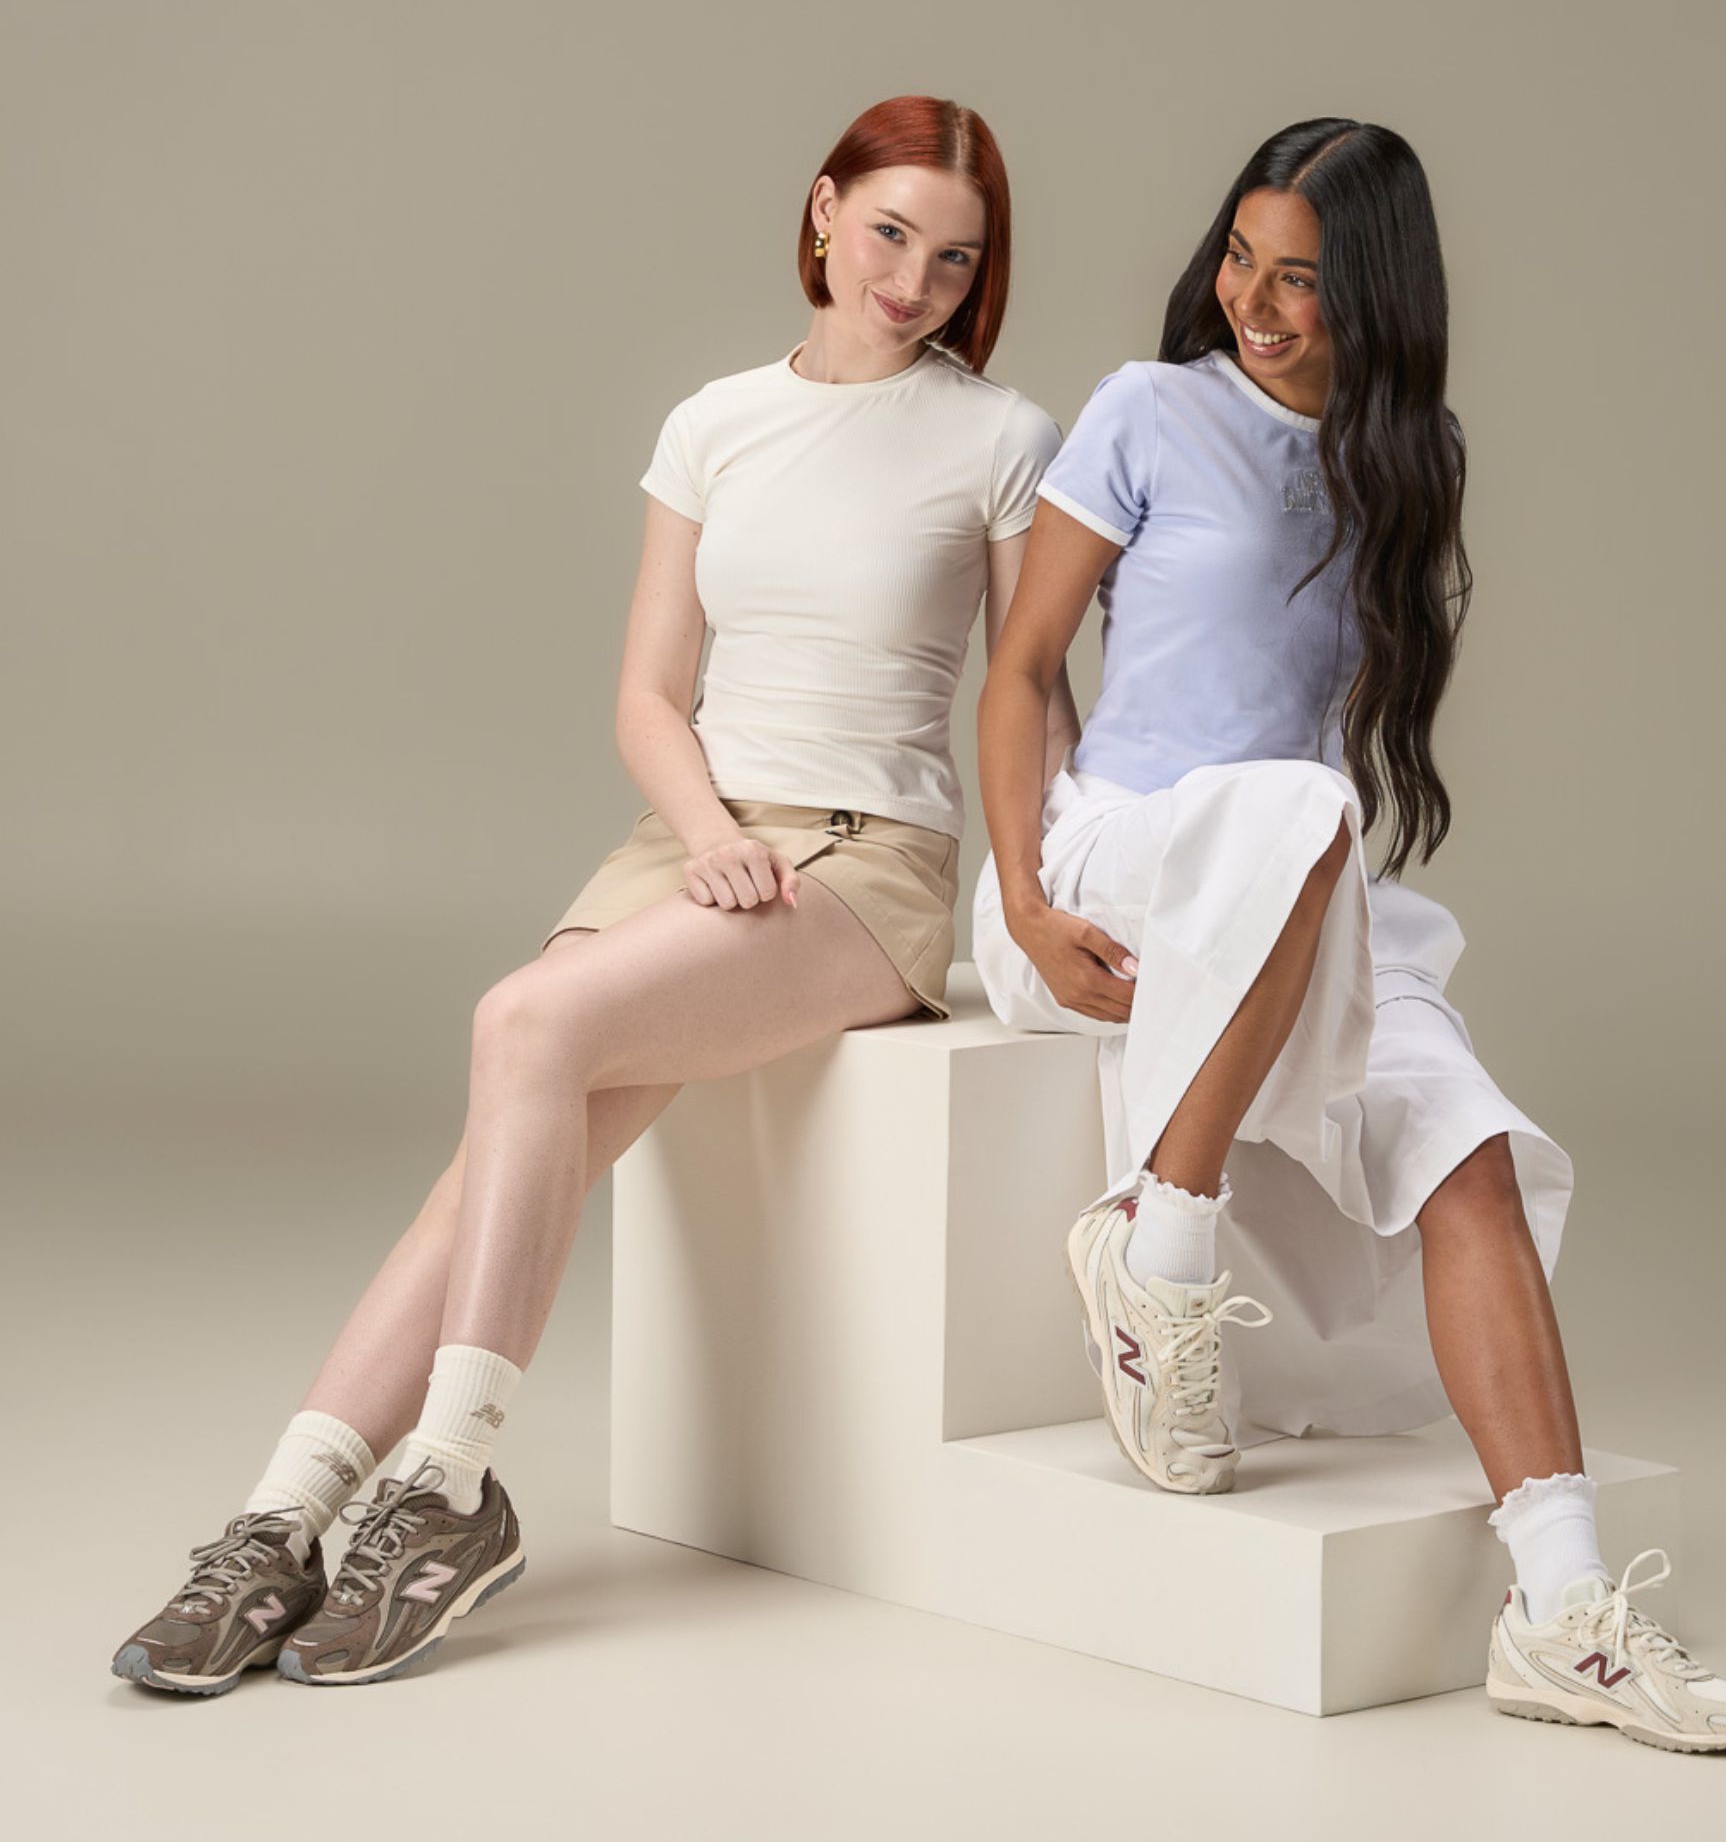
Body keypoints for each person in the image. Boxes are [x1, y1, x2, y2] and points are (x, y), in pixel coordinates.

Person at [111, 93, 1068, 1694]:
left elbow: (1029, 692)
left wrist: (1047, 895)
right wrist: (703, 833)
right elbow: (646, 692)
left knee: (521, 1021)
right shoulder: (714, 422)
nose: (914, 282)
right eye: (890, 233)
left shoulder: (1001, 438)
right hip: (692, 840)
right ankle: (284, 1518)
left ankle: (452, 1480)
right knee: (496, 1150)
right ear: (823, 211)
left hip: (863, 859)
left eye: (955, 260)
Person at [971, 119, 1726, 1754]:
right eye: (1241, 260)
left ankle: (1561, 1612)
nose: (1255, 304)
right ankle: (1158, 1247)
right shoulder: (1147, 410)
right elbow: (1024, 669)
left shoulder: (1415, 460)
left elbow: (1330, 744)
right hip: (1118, 857)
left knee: (1471, 1148)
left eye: (1303, 282)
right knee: (1306, 812)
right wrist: (1033, 902)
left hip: (1302, 881)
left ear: (1380, 301)